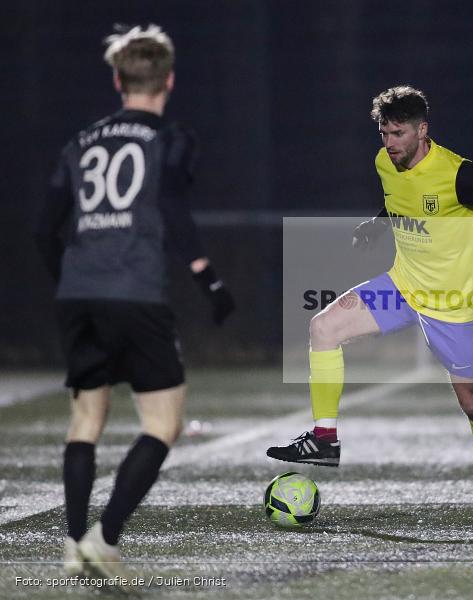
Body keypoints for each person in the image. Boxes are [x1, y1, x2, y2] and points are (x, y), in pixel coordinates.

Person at [267, 86, 473, 521]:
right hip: (402, 286)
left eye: (398, 133)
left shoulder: (457, 175)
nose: (389, 143)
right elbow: (399, 200)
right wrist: (377, 224)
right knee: (323, 328)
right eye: (384, 133)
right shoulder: (383, 162)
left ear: (422, 131)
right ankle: (325, 439)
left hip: (454, 305)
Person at [33, 25, 235, 586]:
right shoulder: (169, 138)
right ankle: (105, 538)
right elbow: (169, 203)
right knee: (163, 422)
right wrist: (209, 281)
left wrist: (71, 281)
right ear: (168, 80)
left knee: (85, 419)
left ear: (118, 80)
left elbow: (44, 229)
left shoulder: (79, 141)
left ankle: (74, 546)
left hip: (80, 294)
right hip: (136, 293)